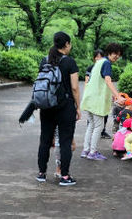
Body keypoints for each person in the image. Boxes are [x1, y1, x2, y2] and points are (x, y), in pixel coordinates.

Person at [36, 31, 81, 186]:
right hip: (65, 107)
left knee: (45, 140)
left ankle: (41, 173)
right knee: (65, 141)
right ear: (66, 44)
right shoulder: (70, 62)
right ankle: (65, 176)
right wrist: (78, 107)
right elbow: (75, 88)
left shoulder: (45, 60)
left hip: (47, 106)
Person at [80, 43, 125, 160]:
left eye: (119, 55)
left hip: (89, 99)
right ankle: (93, 152)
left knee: (91, 125)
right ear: (109, 52)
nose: (117, 57)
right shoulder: (106, 64)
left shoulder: (99, 62)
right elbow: (108, 81)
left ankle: (86, 150)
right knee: (98, 127)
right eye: (115, 53)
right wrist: (118, 96)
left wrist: (113, 96)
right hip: (96, 101)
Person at [85, 49, 112, 139]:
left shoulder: (105, 66)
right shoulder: (90, 68)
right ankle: (92, 130)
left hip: (102, 95)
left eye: (100, 57)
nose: (98, 59)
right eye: (97, 57)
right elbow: (86, 82)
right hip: (93, 95)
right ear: (94, 58)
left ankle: (102, 131)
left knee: (104, 113)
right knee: (92, 114)